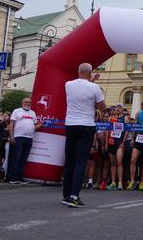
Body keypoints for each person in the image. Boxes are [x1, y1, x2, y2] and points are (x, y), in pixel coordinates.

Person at [62, 63, 106, 208]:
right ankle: (75, 196)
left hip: (70, 124)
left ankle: (66, 195)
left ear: (78, 71)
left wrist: (90, 79)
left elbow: (80, 89)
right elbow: (102, 107)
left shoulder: (68, 84)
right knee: (81, 161)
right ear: (90, 72)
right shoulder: (94, 88)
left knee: (69, 160)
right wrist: (92, 82)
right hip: (86, 125)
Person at [8, 97, 44, 184]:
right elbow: (11, 124)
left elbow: (34, 126)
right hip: (18, 137)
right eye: (26, 102)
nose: (28, 104)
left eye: (29, 102)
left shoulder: (33, 113)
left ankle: (20, 177)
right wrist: (11, 136)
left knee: (24, 159)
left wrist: (41, 125)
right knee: (16, 158)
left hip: (29, 138)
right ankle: (13, 178)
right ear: (22, 103)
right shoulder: (17, 111)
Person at [105, 107, 125, 190]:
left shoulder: (124, 118)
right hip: (111, 142)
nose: (118, 110)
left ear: (122, 110)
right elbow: (107, 131)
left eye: (120, 108)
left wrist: (123, 142)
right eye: (117, 108)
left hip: (119, 143)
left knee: (119, 161)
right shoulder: (111, 118)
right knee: (112, 163)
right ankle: (113, 182)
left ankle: (120, 183)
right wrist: (106, 143)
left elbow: (127, 130)